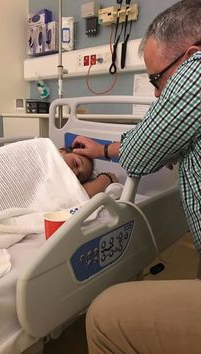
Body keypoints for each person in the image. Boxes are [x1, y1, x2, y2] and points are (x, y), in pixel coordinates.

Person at [72, 1, 201, 353]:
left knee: (105, 315)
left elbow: (140, 157)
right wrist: (102, 151)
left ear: (191, 56)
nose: (158, 94)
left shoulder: (198, 71)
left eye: (157, 80)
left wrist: (103, 169)